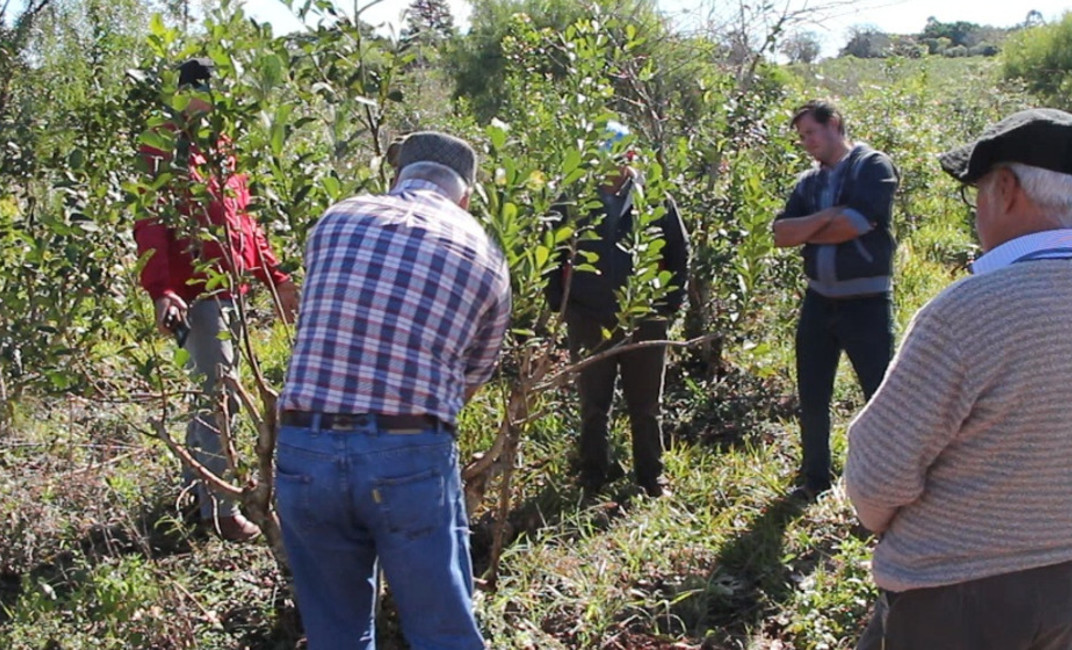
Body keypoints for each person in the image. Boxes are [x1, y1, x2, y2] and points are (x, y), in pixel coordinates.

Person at [846, 108, 1072, 650]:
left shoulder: (967, 312)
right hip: (1071, 581)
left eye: (976, 191)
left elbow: (878, 477)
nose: (977, 210)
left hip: (953, 594)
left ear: (1005, 189)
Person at [277, 131, 511, 649]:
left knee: (336, 631)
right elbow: (469, 381)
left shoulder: (336, 219)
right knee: (442, 630)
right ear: (466, 196)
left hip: (303, 446)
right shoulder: (486, 258)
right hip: (407, 449)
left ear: (397, 176)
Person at [134, 57, 299, 542]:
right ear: (185, 94)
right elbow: (149, 224)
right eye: (202, 93)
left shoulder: (221, 148)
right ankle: (222, 511)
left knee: (212, 390)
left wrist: (276, 277)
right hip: (194, 293)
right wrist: (162, 290)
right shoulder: (164, 146)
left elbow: (242, 221)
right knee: (219, 394)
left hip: (229, 289)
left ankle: (195, 493)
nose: (209, 104)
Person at [546, 121, 689, 497]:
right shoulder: (574, 197)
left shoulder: (655, 198)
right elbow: (552, 248)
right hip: (589, 316)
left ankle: (650, 477)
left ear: (629, 158)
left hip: (645, 316)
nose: (609, 166)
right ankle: (593, 476)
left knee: (645, 405)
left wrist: (669, 303)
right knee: (593, 403)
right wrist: (558, 304)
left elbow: (679, 251)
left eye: (616, 156)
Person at [772, 100, 898, 501]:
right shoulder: (808, 182)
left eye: (811, 133)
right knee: (812, 394)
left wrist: (808, 228)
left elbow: (854, 224)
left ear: (835, 126)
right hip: (818, 300)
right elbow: (779, 234)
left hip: (867, 304)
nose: (807, 143)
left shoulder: (872, 167)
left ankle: (887, 482)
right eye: (802, 136)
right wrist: (823, 221)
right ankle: (815, 479)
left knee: (879, 397)